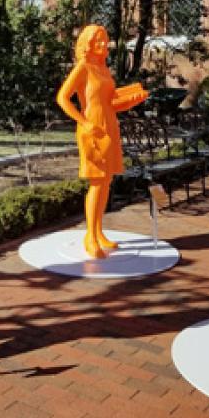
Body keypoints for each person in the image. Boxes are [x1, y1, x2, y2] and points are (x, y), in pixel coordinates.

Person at [56, 25, 148, 258]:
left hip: (109, 127)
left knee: (105, 182)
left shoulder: (104, 70)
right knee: (97, 182)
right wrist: (84, 122)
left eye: (105, 40)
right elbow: (62, 98)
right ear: (87, 43)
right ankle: (90, 236)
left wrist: (132, 101)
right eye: (97, 41)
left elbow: (110, 103)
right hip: (92, 129)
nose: (103, 45)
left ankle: (98, 231)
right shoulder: (83, 67)